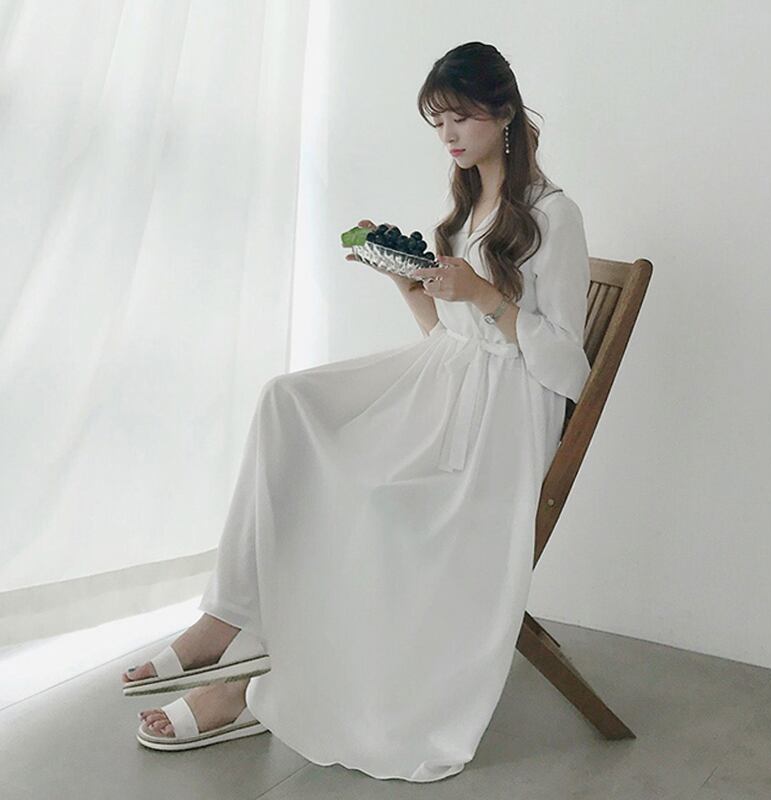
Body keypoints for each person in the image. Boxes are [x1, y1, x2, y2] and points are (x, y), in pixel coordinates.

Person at [121, 41, 591, 782]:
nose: (449, 135)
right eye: (438, 121)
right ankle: (225, 618)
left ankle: (243, 681)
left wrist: (484, 296)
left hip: (502, 424)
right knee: (287, 403)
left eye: (462, 117)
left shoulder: (554, 215)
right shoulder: (468, 208)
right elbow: (449, 337)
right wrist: (409, 286)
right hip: (449, 386)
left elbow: (568, 368)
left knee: (359, 491)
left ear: (503, 113)